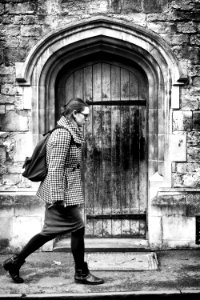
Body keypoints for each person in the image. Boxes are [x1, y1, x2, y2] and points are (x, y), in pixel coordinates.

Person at [3, 97, 104, 285]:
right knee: (77, 228)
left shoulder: (70, 131)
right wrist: (57, 198)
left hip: (64, 190)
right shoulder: (63, 135)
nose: (87, 119)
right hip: (60, 193)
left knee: (50, 232)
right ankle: (80, 273)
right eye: (85, 115)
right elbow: (56, 167)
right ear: (74, 114)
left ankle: (15, 263)